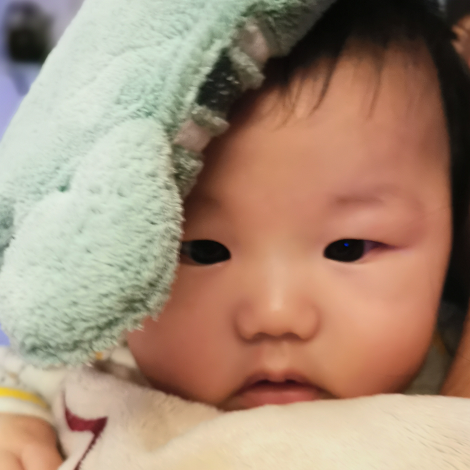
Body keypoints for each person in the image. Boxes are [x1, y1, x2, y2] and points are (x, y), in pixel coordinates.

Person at [1, 0, 470, 468]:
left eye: (347, 249)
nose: (275, 315)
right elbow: (18, 374)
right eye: (204, 250)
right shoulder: (99, 361)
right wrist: (17, 421)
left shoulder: (449, 388)